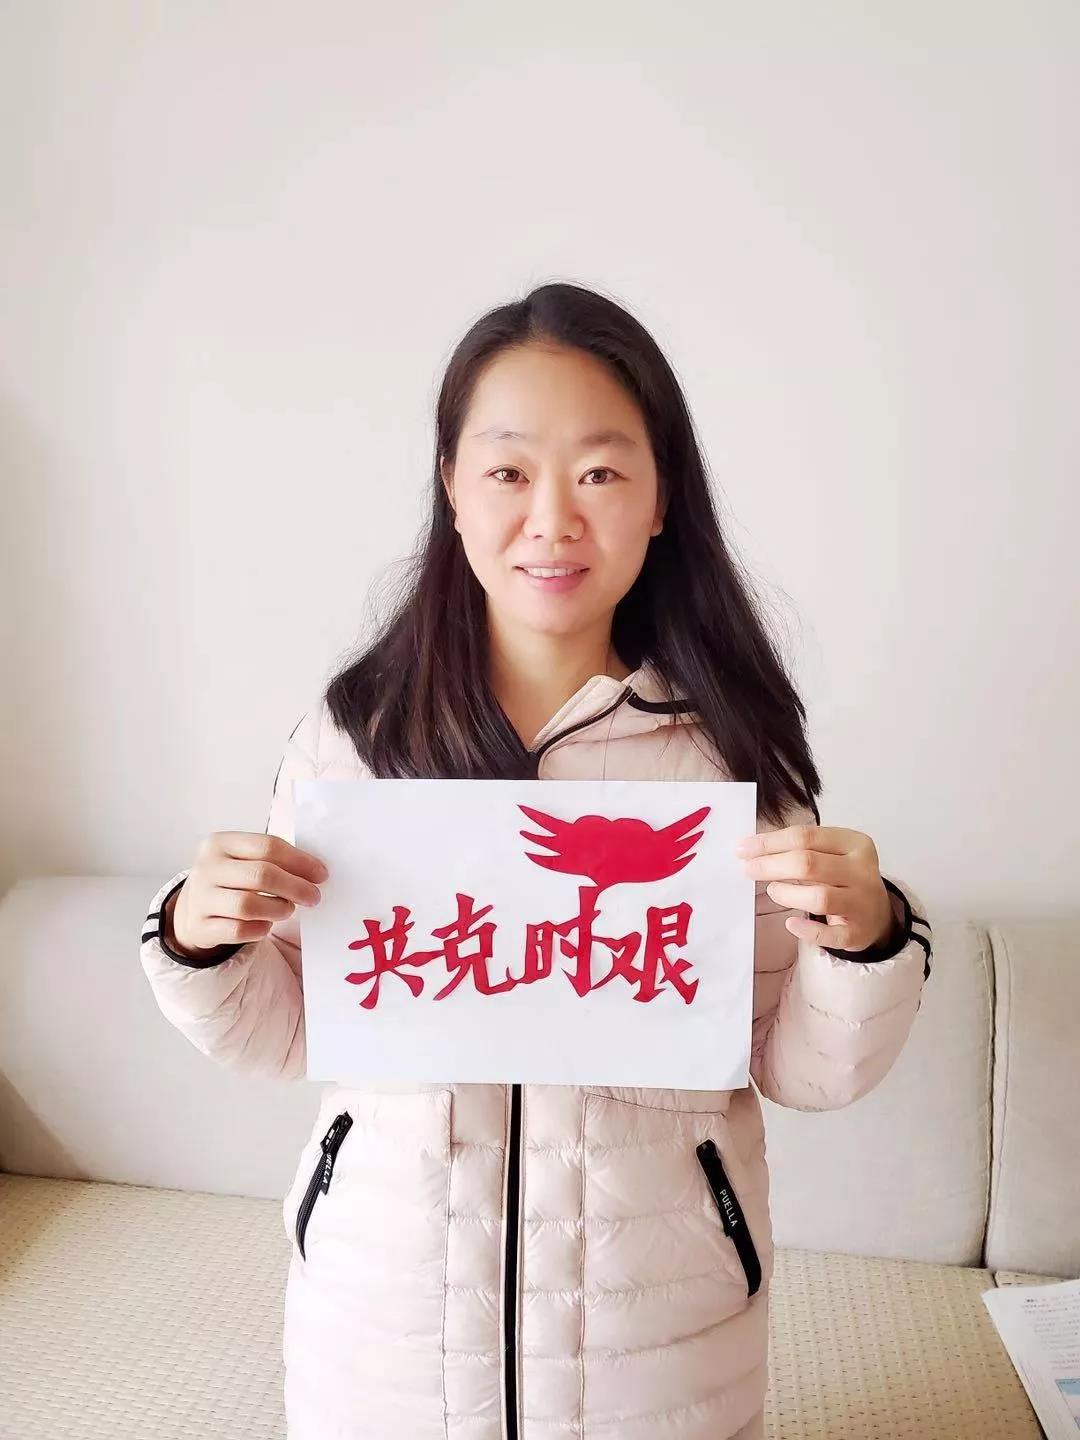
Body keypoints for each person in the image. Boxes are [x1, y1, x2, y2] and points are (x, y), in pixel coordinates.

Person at [139, 281, 933, 1440]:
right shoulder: (356, 734)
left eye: (600, 472)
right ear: (452, 488)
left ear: (662, 498)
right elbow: (287, 1031)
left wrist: (865, 942)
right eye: (509, 471)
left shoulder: (729, 750)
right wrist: (199, 939)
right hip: (384, 1333)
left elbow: (804, 1067)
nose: (553, 519)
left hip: (657, 1349)